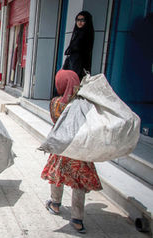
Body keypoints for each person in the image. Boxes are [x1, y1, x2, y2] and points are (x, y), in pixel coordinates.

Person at [41, 70, 102, 234]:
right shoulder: (83, 105)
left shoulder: (55, 103)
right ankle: (77, 219)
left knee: (56, 176)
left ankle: (55, 204)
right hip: (79, 151)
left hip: (61, 149)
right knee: (79, 183)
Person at [63, 11, 94, 80]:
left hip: (79, 64)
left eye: (82, 20)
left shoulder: (86, 34)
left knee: (75, 83)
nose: (79, 22)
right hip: (73, 63)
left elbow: (84, 52)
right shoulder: (77, 33)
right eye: (78, 20)